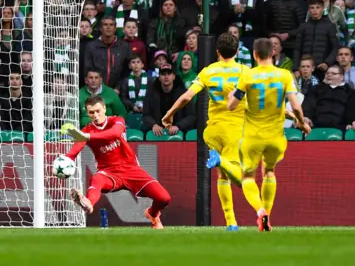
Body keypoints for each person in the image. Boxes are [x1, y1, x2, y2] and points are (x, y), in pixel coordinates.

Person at [162, 33, 247, 231]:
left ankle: (231, 222)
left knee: (222, 177)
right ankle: (221, 161)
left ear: (217, 51)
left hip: (213, 129)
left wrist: (169, 114)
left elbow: (187, 97)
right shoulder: (245, 72)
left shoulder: (208, 71)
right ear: (237, 51)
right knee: (240, 178)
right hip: (235, 129)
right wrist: (291, 115)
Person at [226, 38, 310, 231]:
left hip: (253, 137)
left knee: (247, 177)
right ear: (273, 53)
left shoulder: (247, 75)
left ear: (255, 55)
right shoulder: (285, 75)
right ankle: (268, 216)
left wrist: (232, 97)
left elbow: (232, 106)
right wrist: (302, 123)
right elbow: (295, 105)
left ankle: (260, 212)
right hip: (275, 137)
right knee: (269, 172)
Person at [62, 95, 171, 229]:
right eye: (91, 112)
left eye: (98, 111)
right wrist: (65, 160)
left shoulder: (116, 121)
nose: (95, 115)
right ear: (87, 113)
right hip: (109, 173)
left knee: (164, 198)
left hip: (132, 170)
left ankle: (152, 214)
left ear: (104, 108)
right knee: (96, 178)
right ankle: (88, 203)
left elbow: (114, 133)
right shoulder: (86, 131)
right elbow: (74, 151)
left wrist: (88, 137)